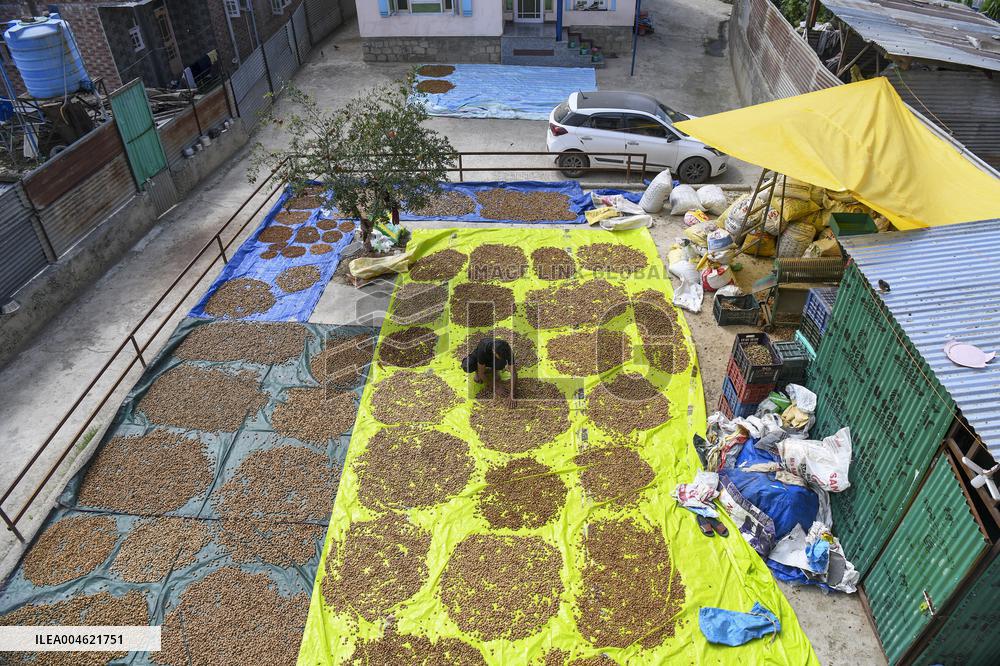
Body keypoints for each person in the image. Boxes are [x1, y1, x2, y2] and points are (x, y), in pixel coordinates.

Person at [461, 337, 517, 408]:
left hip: (492, 359)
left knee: (501, 363)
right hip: (480, 358)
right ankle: (476, 371)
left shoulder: (507, 350)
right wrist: (495, 387)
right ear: (494, 351)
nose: (503, 358)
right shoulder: (483, 348)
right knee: (467, 366)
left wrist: (512, 394)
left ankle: (494, 370)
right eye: (500, 357)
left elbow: (514, 373)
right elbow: (482, 374)